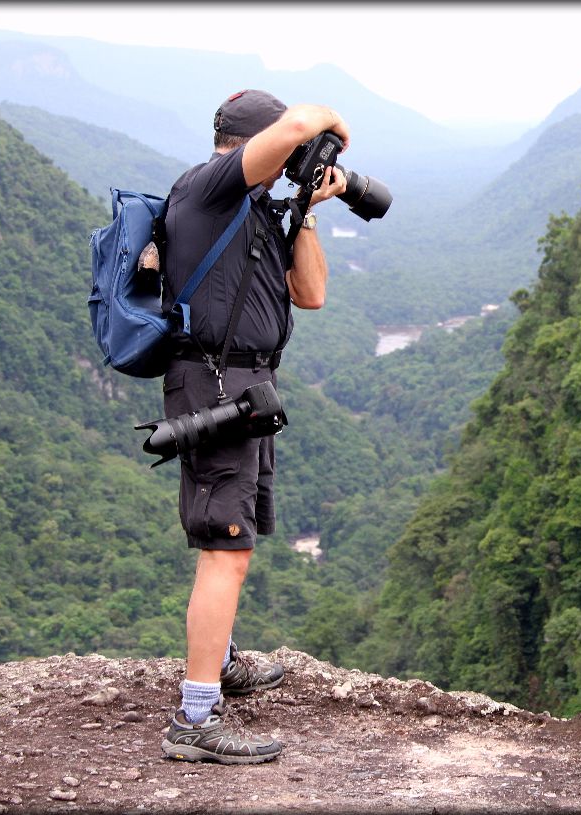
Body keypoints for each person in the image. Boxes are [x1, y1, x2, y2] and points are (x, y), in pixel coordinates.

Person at [158, 89, 350, 764]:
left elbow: (313, 294)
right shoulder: (208, 187)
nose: (293, 156)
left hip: (249, 386)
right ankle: (195, 716)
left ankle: (224, 661)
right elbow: (303, 121)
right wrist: (333, 126)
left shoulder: (256, 208)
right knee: (225, 547)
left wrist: (305, 213)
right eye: (283, 149)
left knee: (234, 535)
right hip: (215, 385)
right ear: (249, 142)